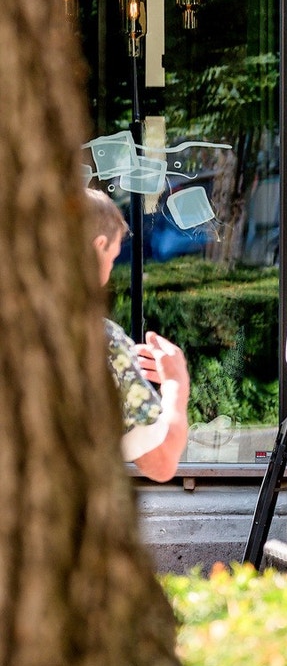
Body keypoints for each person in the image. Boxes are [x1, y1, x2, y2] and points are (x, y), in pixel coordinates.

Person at [85, 188, 191, 483]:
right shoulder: (102, 340)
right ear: (98, 247)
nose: (108, 275)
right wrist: (174, 385)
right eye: (112, 258)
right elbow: (161, 462)